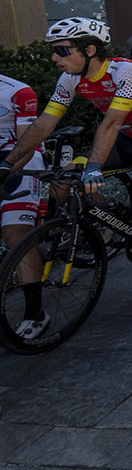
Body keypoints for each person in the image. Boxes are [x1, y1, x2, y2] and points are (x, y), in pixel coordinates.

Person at [0, 18, 132, 249]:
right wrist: (8, 164)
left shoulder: (125, 71)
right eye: (54, 52)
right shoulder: (70, 78)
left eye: (61, 51)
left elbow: (111, 123)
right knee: (63, 182)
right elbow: (44, 123)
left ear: (89, 50)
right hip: (126, 140)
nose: (54, 58)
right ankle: (110, 216)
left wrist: (94, 167)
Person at [0, 73, 45, 339]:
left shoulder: (18, 92)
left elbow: (26, 144)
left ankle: (36, 313)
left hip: (21, 160)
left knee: (15, 234)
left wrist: (6, 170)